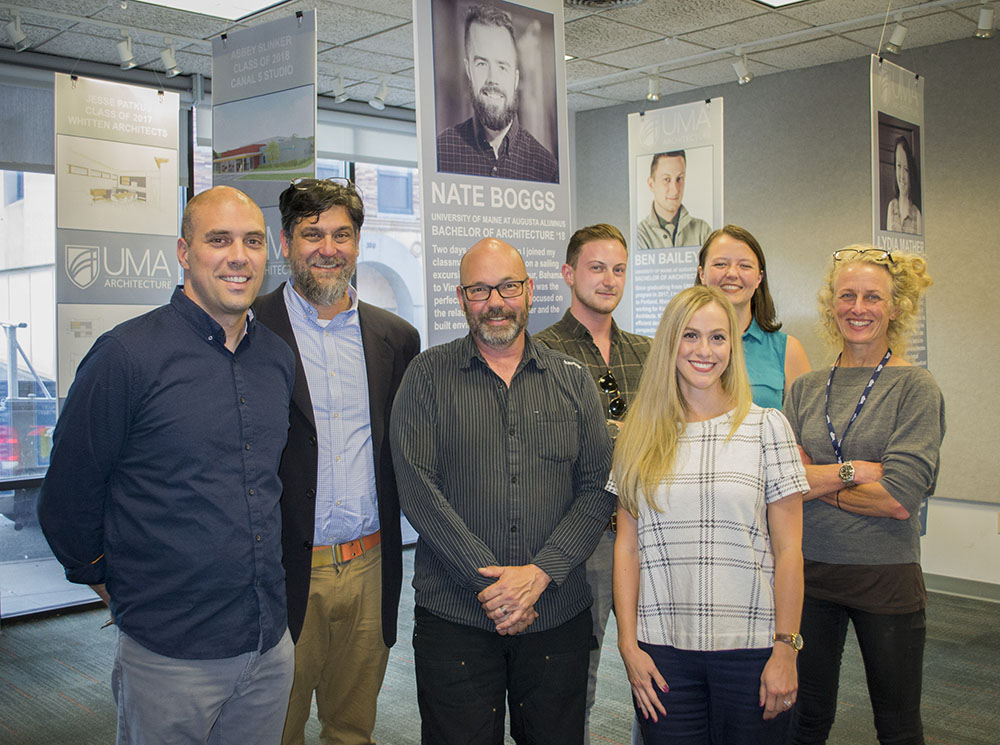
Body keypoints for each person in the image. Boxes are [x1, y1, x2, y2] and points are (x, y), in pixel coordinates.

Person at [37, 186, 296, 745]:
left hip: (268, 645)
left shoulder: (276, 358)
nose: (239, 256)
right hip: (169, 655)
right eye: (218, 240)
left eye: (252, 241)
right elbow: (66, 500)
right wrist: (120, 588)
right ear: (184, 252)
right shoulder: (126, 356)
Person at [390, 237, 614, 745]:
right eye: (479, 289)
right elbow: (417, 487)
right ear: (460, 296)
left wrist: (539, 575)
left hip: (557, 612)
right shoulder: (426, 376)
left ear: (530, 290)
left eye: (508, 286)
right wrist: (494, 587)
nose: (495, 302)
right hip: (456, 617)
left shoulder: (573, 381)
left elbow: (599, 486)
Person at [253, 178, 420, 745]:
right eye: (312, 233)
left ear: (357, 242)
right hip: (283, 568)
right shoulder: (249, 330)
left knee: (353, 728)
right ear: (286, 242)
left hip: (371, 566)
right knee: (278, 726)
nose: (328, 247)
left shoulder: (396, 338)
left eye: (342, 234)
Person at [612, 285, 808, 745]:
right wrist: (628, 644)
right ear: (669, 344)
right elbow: (627, 545)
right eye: (691, 336)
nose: (705, 351)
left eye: (718, 338)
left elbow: (790, 550)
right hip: (663, 652)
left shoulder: (766, 427)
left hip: (751, 648)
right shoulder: (638, 434)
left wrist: (787, 649)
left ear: (732, 348)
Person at [785, 247, 944, 745]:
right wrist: (853, 474)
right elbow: (785, 482)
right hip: (808, 575)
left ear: (895, 308)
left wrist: (820, 481)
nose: (859, 307)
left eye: (873, 297)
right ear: (831, 305)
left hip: (885, 576)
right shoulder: (806, 388)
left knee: (896, 726)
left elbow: (899, 499)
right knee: (803, 720)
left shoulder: (915, 388)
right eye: (847, 295)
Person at [533, 223, 650, 744]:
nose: (608, 280)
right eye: (596, 268)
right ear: (568, 274)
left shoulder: (647, 352)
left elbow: (665, 434)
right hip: (584, 542)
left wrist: (619, 434)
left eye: (618, 269)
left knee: (659, 672)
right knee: (574, 679)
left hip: (650, 536)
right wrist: (624, 434)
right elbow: (550, 446)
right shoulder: (541, 353)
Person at [436, 4, 559, 183]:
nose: (492, 79)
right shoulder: (442, 150)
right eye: (482, 64)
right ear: (469, 70)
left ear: (515, 78)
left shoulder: (546, 167)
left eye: (502, 66)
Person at [695, 225, 810, 408]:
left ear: (759, 278)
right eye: (720, 264)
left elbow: (804, 428)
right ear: (702, 274)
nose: (732, 273)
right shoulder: (680, 347)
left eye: (745, 266)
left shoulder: (788, 351)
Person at [636, 151, 711, 249]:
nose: (675, 189)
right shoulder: (639, 235)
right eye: (666, 179)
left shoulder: (703, 231)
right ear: (651, 184)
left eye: (679, 178)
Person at [885, 137, 923, 235]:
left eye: (906, 169)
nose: (901, 176)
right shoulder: (892, 207)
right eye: (899, 166)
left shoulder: (917, 215)